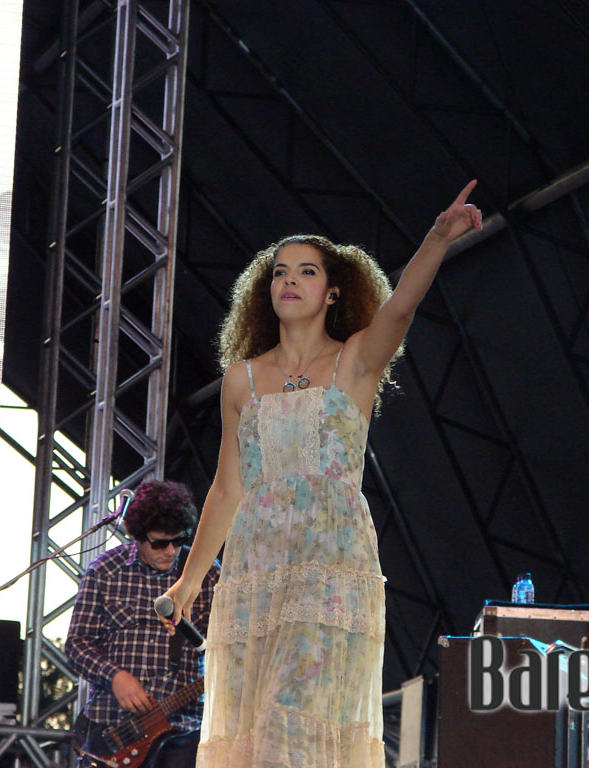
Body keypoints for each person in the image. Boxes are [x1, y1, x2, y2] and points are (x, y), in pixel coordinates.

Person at [159, 181, 483, 767]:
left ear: (333, 292)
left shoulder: (354, 361)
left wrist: (437, 238)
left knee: (295, 722)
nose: (289, 280)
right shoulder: (243, 379)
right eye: (281, 272)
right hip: (258, 569)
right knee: (255, 736)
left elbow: (402, 307)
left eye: (306, 272)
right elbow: (229, 487)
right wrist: (189, 580)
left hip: (329, 566)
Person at [66, 479, 220, 768]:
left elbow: (224, 648)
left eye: (179, 540)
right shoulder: (105, 571)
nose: (171, 550)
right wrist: (115, 676)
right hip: (112, 726)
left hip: (184, 730)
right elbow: (77, 644)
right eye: (160, 542)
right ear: (137, 535)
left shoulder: (207, 576)